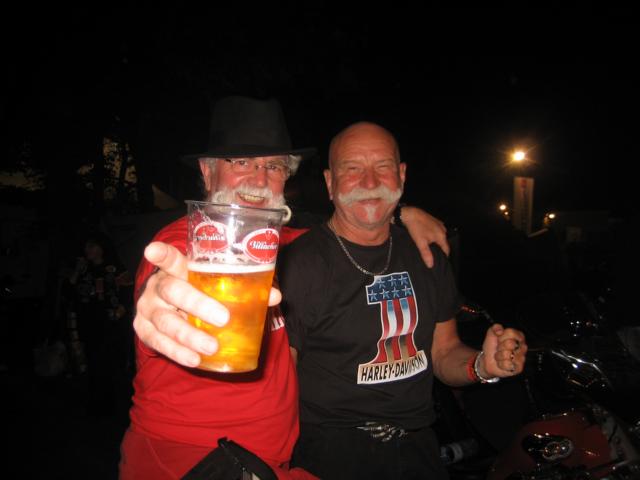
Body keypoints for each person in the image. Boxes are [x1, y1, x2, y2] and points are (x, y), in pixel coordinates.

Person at [119, 96, 450, 479]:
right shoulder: (188, 244)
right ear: (207, 173)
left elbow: (354, 220)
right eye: (241, 163)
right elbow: (165, 286)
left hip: (275, 462)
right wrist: (159, 304)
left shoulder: (290, 244)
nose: (259, 180)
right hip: (190, 459)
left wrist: (403, 212)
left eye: (273, 166)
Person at [278, 122, 528, 479]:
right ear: (330, 183)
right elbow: (278, 385)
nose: (369, 182)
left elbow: (443, 352)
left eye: (382, 166)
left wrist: (482, 366)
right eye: (353, 168)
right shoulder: (299, 265)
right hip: (329, 455)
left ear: (402, 175)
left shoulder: (427, 254)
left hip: (419, 449)